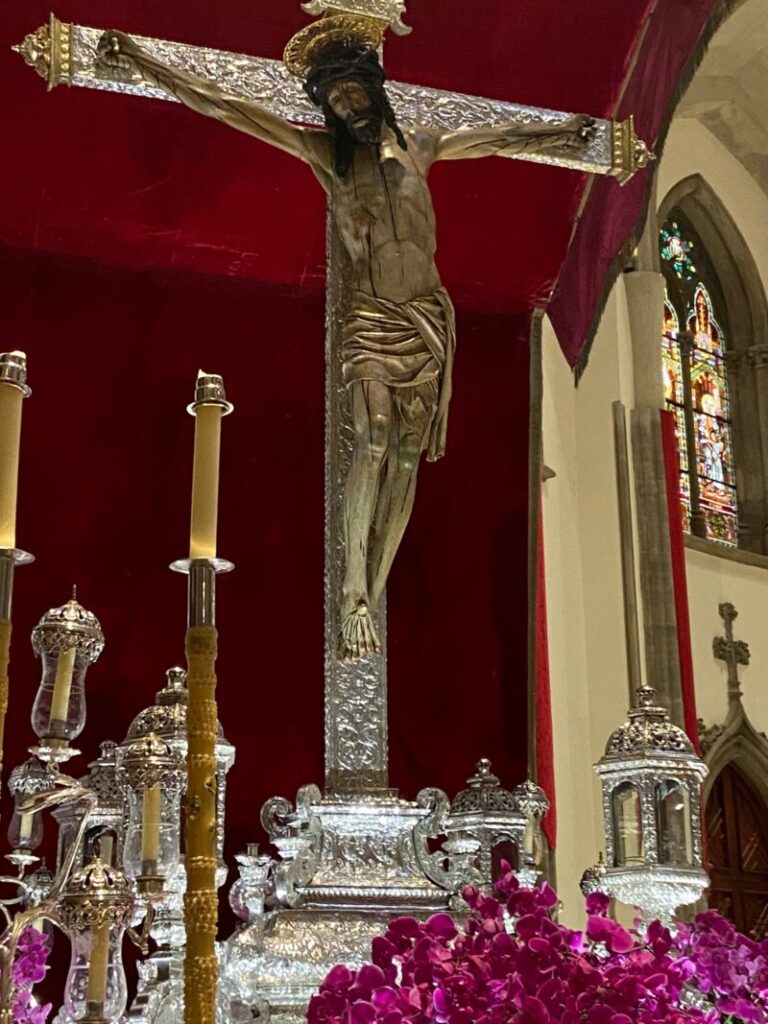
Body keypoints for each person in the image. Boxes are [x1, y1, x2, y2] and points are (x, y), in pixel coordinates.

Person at [98, 21, 595, 660]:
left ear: (373, 87)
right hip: (372, 317)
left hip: (425, 318)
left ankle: (373, 588)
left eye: (354, 92)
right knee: (375, 437)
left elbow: (501, 136)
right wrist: (146, 62)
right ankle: (353, 591)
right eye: (335, 101)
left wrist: (564, 133)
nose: (348, 107)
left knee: (408, 455)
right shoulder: (325, 159)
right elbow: (225, 106)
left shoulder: (423, 144)